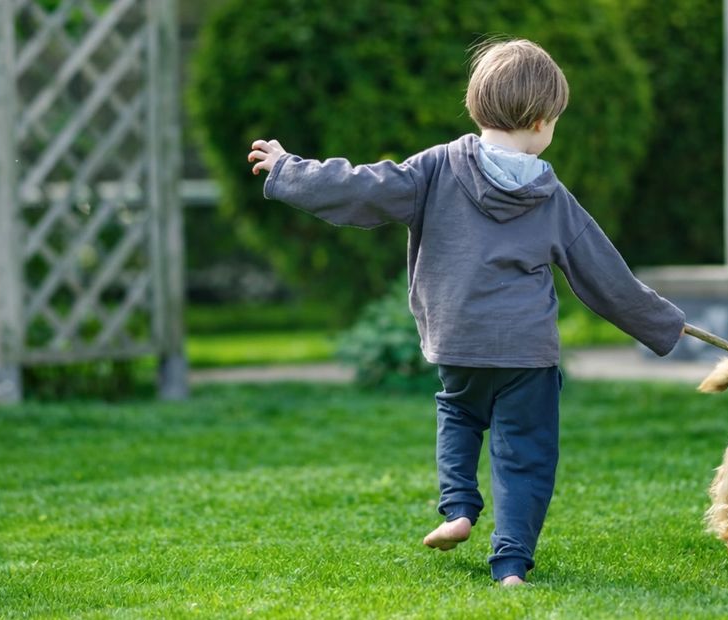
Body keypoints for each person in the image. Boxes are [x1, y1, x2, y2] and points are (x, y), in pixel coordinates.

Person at [247, 38, 685, 586]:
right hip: (526, 354)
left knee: (458, 412)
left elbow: (362, 188)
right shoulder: (551, 197)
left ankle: (457, 508)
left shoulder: (434, 170)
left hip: (458, 340)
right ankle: (510, 564)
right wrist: (667, 325)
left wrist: (290, 170)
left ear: (478, 107)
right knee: (525, 455)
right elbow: (604, 276)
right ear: (543, 121)